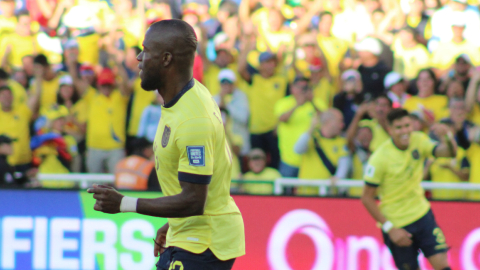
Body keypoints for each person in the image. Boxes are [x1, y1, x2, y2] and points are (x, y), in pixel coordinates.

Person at [87, 19, 245, 270]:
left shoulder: (193, 119)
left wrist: (124, 203)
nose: (139, 57)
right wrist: (172, 222)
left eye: (146, 50)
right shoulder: (186, 97)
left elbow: (194, 200)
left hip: (205, 243)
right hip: (189, 235)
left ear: (166, 59)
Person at [361, 108, 457, 270]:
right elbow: (366, 198)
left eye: (407, 125)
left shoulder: (418, 140)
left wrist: (447, 137)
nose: (405, 131)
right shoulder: (380, 158)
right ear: (390, 130)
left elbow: (448, 152)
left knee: (443, 265)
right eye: (399, 127)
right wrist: (390, 228)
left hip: (423, 216)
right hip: (398, 224)